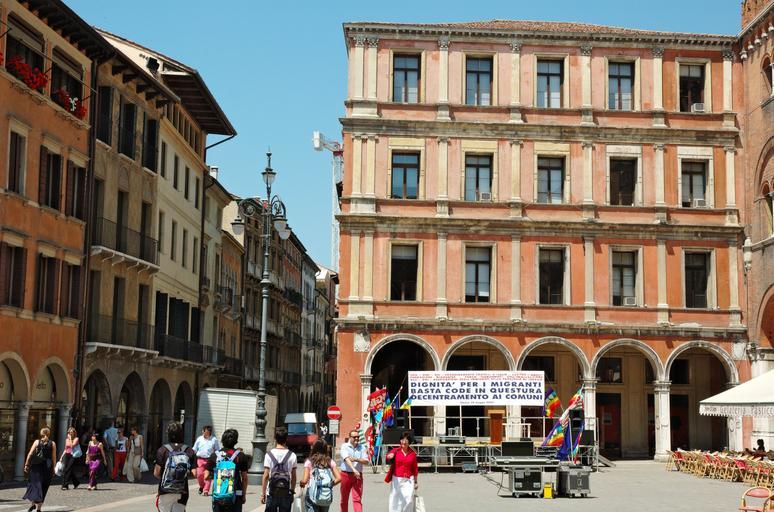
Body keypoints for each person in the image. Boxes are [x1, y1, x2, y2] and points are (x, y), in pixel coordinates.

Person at [154, 421, 196, 512]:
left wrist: (168, 478)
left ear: (168, 434)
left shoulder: (162, 450)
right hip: (182, 492)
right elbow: (194, 473)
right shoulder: (189, 450)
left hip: (165, 491)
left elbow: (156, 473)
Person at [204, 428, 249, 512]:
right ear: (236, 441)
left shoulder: (215, 455)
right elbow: (245, 478)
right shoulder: (240, 455)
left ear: (222, 440)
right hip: (236, 493)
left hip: (218, 493)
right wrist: (243, 495)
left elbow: (206, 476)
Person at [261, 427, 297, 512]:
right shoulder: (292, 455)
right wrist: (292, 491)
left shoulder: (269, 455)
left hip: (271, 492)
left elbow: (266, 476)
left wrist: (263, 493)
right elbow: (294, 477)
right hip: (286, 492)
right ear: (286, 439)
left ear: (275, 438)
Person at [300, 439, 341, 512]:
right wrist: (329, 485)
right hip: (325, 494)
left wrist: (301, 483)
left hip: (312, 493)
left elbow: (305, 481)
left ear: (314, 448)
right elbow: (339, 478)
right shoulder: (330, 461)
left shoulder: (309, 461)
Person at [23, 427, 56, 512]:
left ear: (41, 434)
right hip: (47, 467)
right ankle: (39, 508)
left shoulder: (37, 442)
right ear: (49, 434)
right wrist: (54, 469)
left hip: (36, 467)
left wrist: (26, 464)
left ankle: (33, 504)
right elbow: (53, 458)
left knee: (35, 485)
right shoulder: (52, 443)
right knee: (44, 487)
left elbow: (30, 454)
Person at [385, 433, 418, 512]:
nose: (404, 442)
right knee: (396, 500)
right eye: (402, 439)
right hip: (397, 479)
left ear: (409, 442)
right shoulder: (396, 451)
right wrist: (389, 456)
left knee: (409, 499)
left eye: (406, 440)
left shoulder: (413, 454)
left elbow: (415, 469)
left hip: (409, 480)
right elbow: (388, 456)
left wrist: (416, 482)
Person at [340, 429, 369, 512]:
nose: (356, 438)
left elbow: (366, 461)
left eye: (358, 437)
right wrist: (354, 469)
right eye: (354, 437)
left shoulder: (362, 447)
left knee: (357, 499)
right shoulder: (344, 446)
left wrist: (356, 459)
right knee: (344, 499)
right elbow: (346, 459)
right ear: (350, 437)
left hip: (358, 476)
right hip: (345, 475)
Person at [193, 425, 220, 496]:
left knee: (208, 476)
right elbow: (194, 449)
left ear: (209, 432)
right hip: (200, 459)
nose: (203, 432)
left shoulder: (214, 440)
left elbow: (217, 450)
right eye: (203, 431)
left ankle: (206, 490)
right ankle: (202, 486)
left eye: (204, 431)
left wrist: (218, 458)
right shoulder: (199, 439)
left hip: (209, 460)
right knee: (199, 475)